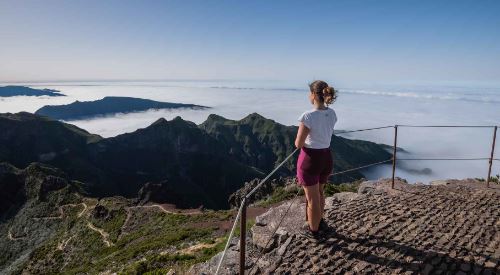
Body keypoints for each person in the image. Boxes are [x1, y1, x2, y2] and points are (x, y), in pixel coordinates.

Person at [294, 80, 338, 239]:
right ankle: (319, 222)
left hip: (310, 160)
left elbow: (298, 144)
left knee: (312, 199)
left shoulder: (308, 116)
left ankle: (313, 231)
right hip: (326, 158)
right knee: (319, 193)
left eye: (309, 93)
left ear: (313, 95)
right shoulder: (332, 113)